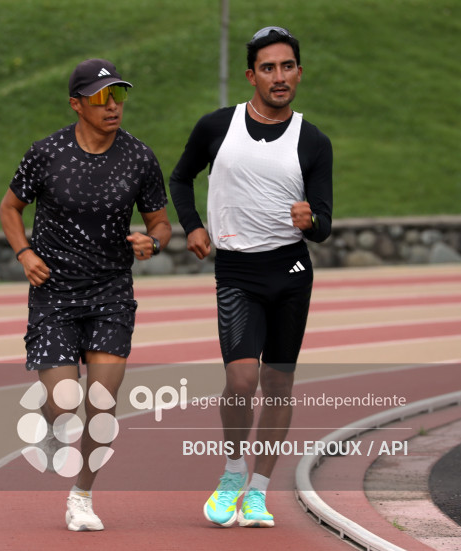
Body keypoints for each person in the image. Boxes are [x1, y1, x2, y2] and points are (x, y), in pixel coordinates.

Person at [169, 26, 333, 527]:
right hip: (238, 269)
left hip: (291, 269)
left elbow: (324, 223)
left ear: (299, 74)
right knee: (241, 380)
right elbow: (180, 176)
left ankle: (259, 491)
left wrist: (312, 221)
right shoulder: (218, 126)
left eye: (287, 67)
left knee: (279, 384)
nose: (279, 77)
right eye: (268, 68)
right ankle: (233, 473)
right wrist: (194, 226)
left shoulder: (314, 140)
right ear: (251, 75)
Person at [0, 58, 171, 532]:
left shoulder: (139, 157)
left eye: (118, 95)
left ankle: (82, 497)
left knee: (102, 402)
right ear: (76, 104)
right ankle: (49, 412)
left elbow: (160, 221)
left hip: (111, 292)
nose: (112, 105)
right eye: (100, 97)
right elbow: (10, 207)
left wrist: (153, 241)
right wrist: (24, 253)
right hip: (54, 294)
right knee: (65, 402)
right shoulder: (46, 153)